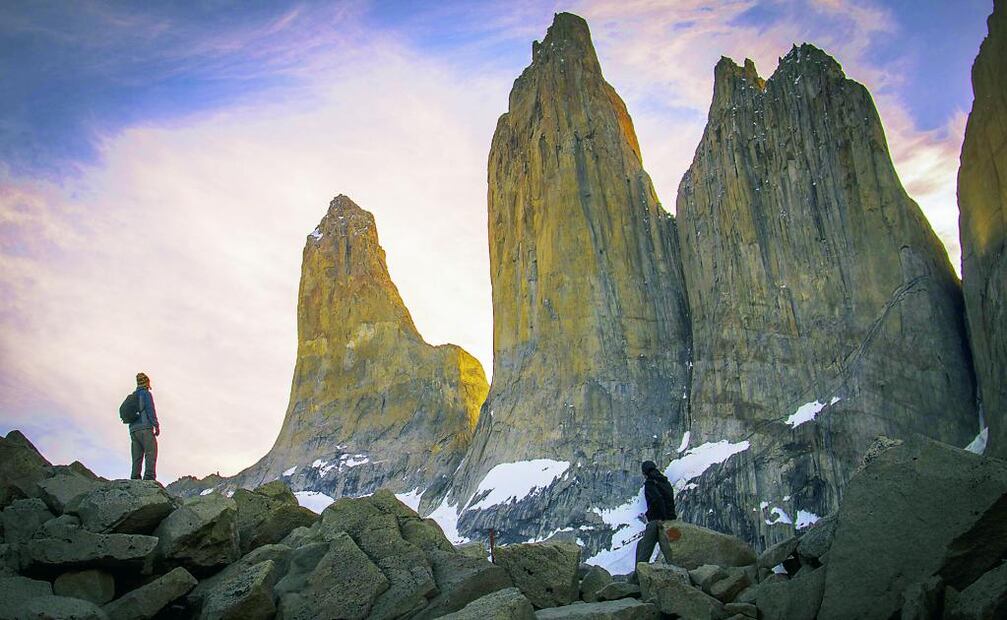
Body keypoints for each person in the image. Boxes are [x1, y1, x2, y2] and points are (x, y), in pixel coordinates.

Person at [634, 460, 676, 569]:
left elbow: (657, 500)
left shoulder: (650, 483)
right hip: (671, 520)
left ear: (645, 472)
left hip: (657, 521)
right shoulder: (665, 482)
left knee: (643, 549)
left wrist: (659, 518)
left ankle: (639, 574)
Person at [130, 372, 160, 481]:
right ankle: (149, 477)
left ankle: (135, 477)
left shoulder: (133, 395)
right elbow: (150, 410)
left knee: (137, 455)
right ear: (147, 383)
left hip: (133, 429)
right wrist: (156, 425)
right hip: (145, 427)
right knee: (151, 451)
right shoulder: (146, 394)